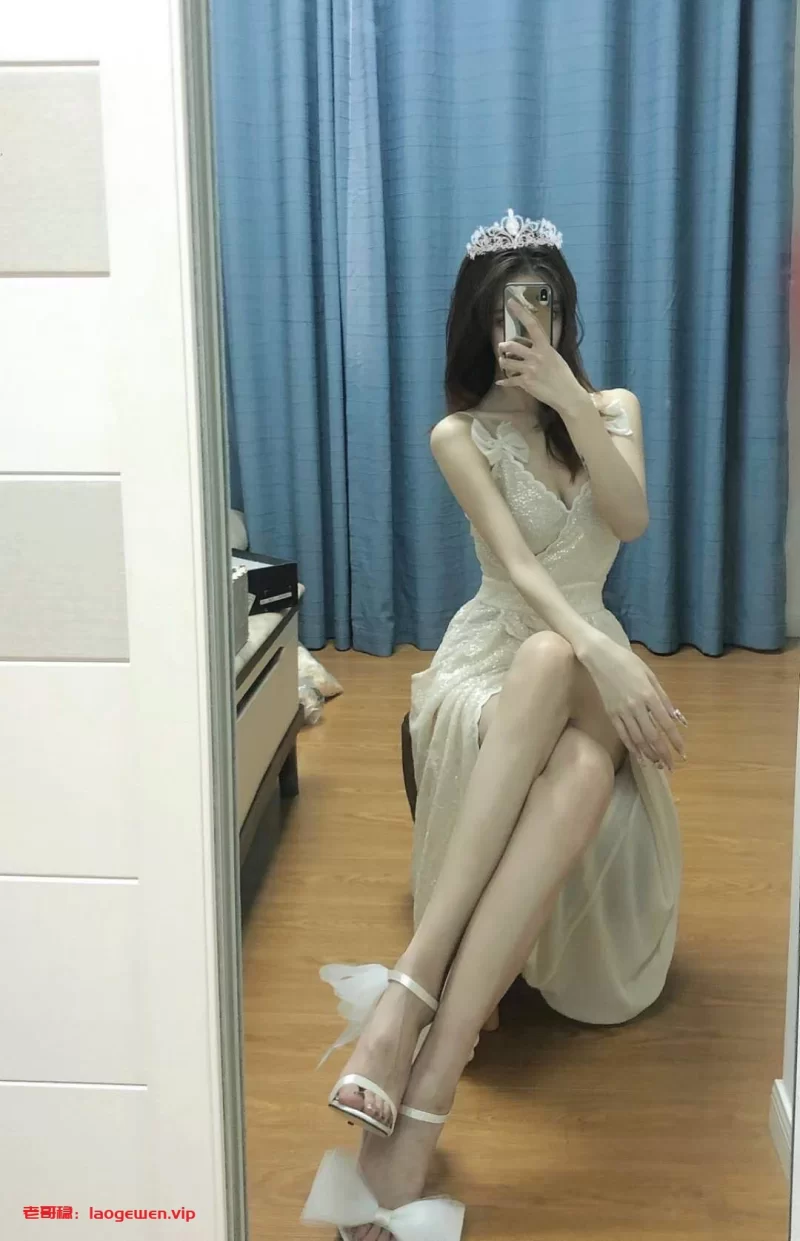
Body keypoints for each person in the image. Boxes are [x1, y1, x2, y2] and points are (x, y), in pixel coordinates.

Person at [301, 210, 685, 1241]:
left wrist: (567, 399)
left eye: (541, 304)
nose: (522, 326)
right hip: (501, 656)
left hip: (582, 649)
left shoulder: (611, 406)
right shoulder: (458, 434)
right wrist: (600, 650)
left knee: (563, 660)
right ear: (476, 322)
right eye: (504, 311)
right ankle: (428, 1081)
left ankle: (408, 1011)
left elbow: (631, 518)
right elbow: (517, 569)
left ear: (563, 312)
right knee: (562, 695)